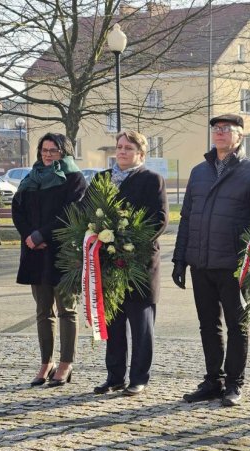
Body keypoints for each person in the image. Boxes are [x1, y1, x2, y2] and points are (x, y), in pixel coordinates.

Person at [172, 114, 250, 407]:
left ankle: (234, 383)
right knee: (208, 325)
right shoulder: (199, 172)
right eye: (216, 129)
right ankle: (212, 380)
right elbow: (187, 218)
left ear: (240, 136)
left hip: (234, 264)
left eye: (226, 129)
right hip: (201, 263)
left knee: (236, 325)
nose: (219, 133)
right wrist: (180, 259)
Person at [92, 130, 168, 397]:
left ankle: (138, 378)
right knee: (113, 323)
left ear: (140, 153)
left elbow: (159, 219)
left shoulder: (151, 179)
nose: (122, 151)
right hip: (109, 263)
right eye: (119, 147)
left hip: (139, 264)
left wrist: (129, 243)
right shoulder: (102, 179)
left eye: (128, 148)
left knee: (141, 324)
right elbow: (86, 210)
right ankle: (114, 376)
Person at [12, 133, 87, 388]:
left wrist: (42, 234)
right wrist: (29, 236)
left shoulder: (74, 178)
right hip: (35, 251)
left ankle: (66, 363)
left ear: (63, 152)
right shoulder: (31, 177)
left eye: (53, 150)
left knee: (66, 309)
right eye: (44, 149)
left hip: (63, 251)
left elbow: (72, 212)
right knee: (43, 311)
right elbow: (17, 209)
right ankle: (46, 362)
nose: (47, 154)